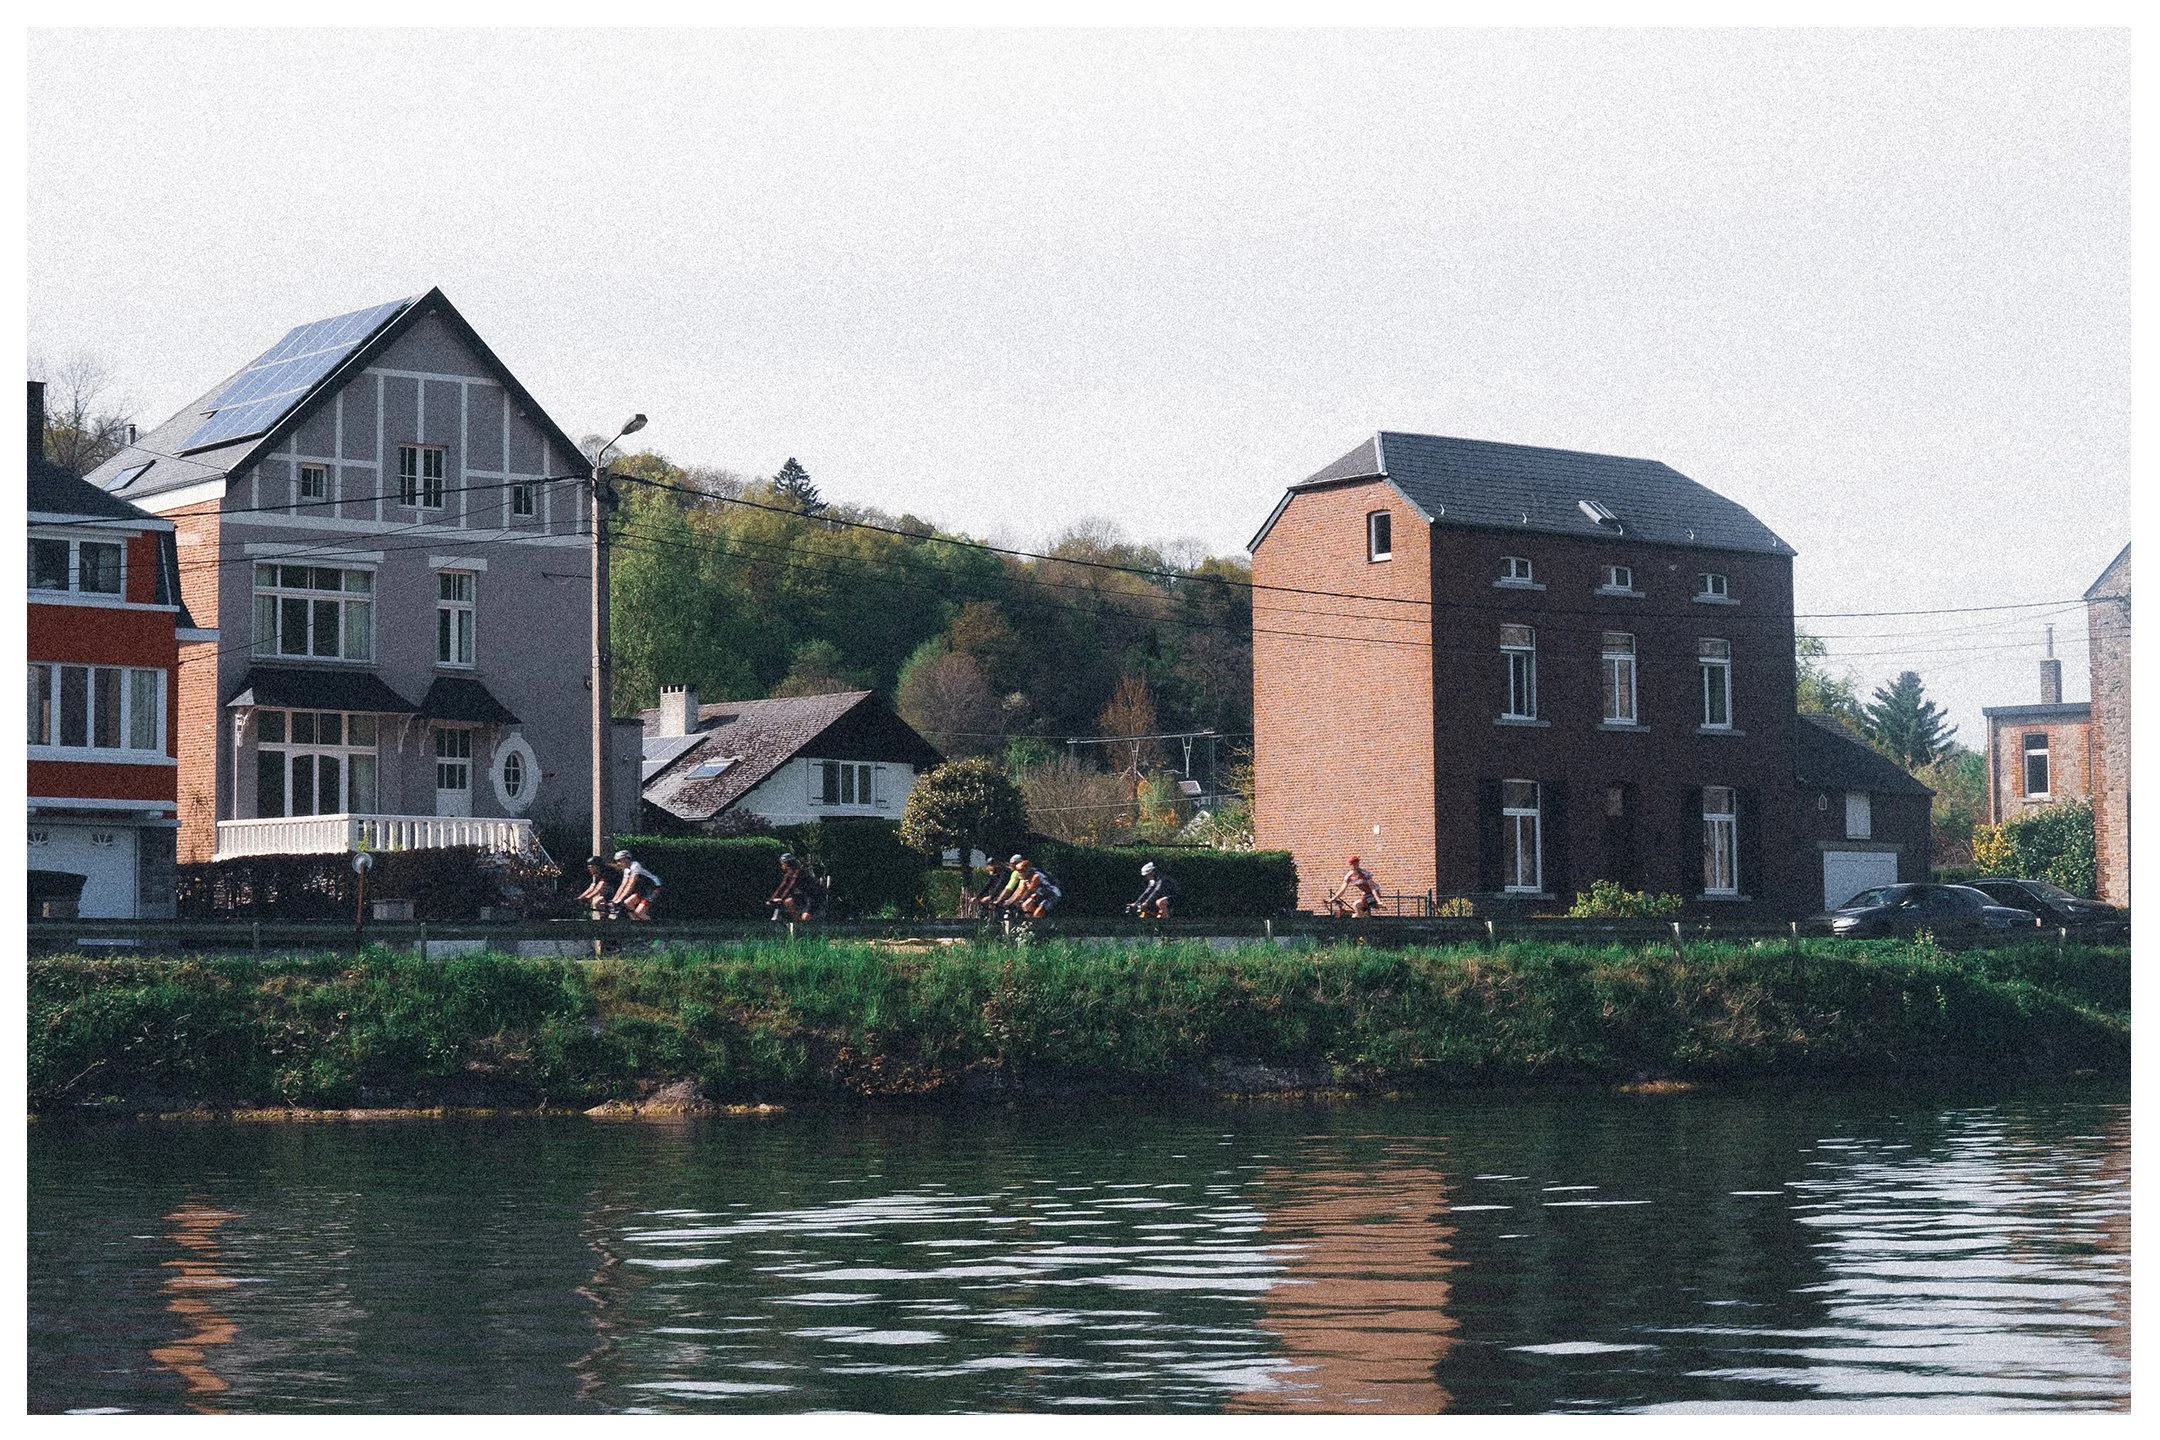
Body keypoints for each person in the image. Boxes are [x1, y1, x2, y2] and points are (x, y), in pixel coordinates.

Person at [609, 848, 662, 921]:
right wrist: (614, 900)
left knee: (639, 912)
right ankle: (636, 925)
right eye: (616, 861)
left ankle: (655, 928)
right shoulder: (626, 870)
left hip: (653, 888)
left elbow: (631, 884)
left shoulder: (635, 865)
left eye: (619, 860)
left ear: (626, 859)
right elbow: (623, 886)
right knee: (627, 903)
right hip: (643, 889)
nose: (617, 863)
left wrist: (620, 899)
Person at [1327, 854, 1380, 919]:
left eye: (1356, 864)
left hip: (1374, 893)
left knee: (1356, 905)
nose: (1355, 866)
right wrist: (1333, 899)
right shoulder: (1349, 876)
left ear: (1358, 864)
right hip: (1366, 895)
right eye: (1352, 864)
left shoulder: (1365, 873)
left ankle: (1364, 918)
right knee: (1356, 914)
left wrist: (1378, 900)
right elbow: (1342, 890)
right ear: (1350, 865)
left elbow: (1372, 888)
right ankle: (1364, 918)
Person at [769, 851, 813, 922]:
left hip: (810, 898)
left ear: (787, 864)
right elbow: (782, 887)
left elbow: (790, 887)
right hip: (801, 896)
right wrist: (772, 899)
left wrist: (781, 898)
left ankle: (799, 921)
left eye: (782, 864)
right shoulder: (788, 874)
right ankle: (796, 921)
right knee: (787, 901)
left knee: (788, 901)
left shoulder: (798, 873)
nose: (781, 866)